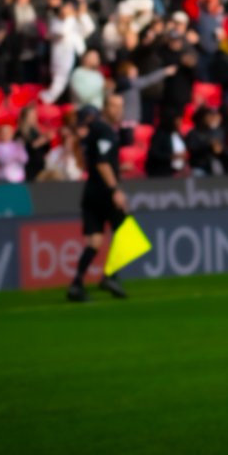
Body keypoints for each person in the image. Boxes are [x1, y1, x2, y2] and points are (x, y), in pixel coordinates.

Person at [66, 96, 130, 301]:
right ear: (105, 108)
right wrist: (115, 190)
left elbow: (88, 161)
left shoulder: (93, 133)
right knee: (127, 233)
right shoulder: (105, 130)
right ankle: (110, 276)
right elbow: (102, 163)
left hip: (90, 192)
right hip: (104, 192)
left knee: (94, 240)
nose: (119, 110)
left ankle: (77, 284)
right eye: (114, 105)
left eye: (121, 106)